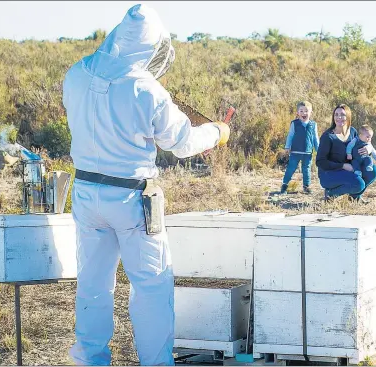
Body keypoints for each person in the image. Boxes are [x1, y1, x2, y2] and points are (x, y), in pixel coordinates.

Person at [62, 4, 230, 366]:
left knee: (92, 285)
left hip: (86, 194)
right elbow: (182, 142)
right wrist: (217, 132)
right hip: (131, 198)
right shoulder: (145, 89)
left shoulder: (77, 73)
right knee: (151, 288)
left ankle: (90, 360)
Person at [316, 104, 376, 202]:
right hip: (329, 174)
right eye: (336, 114)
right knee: (359, 183)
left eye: (342, 114)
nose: (339, 117)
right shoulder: (328, 137)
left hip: (350, 169)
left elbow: (365, 143)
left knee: (373, 171)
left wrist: (369, 148)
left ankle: (354, 197)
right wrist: (343, 166)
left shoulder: (353, 131)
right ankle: (330, 194)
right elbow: (320, 162)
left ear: (348, 117)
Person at [280, 101, 319, 194]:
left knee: (306, 170)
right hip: (295, 152)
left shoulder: (313, 124)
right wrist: (287, 147)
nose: (304, 113)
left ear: (311, 112)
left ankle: (306, 186)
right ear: (297, 112)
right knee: (291, 168)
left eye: (306, 111)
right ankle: (284, 185)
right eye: (301, 111)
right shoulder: (294, 123)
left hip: (308, 152)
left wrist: (319, 150)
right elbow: (290, 135)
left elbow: (315, 138)